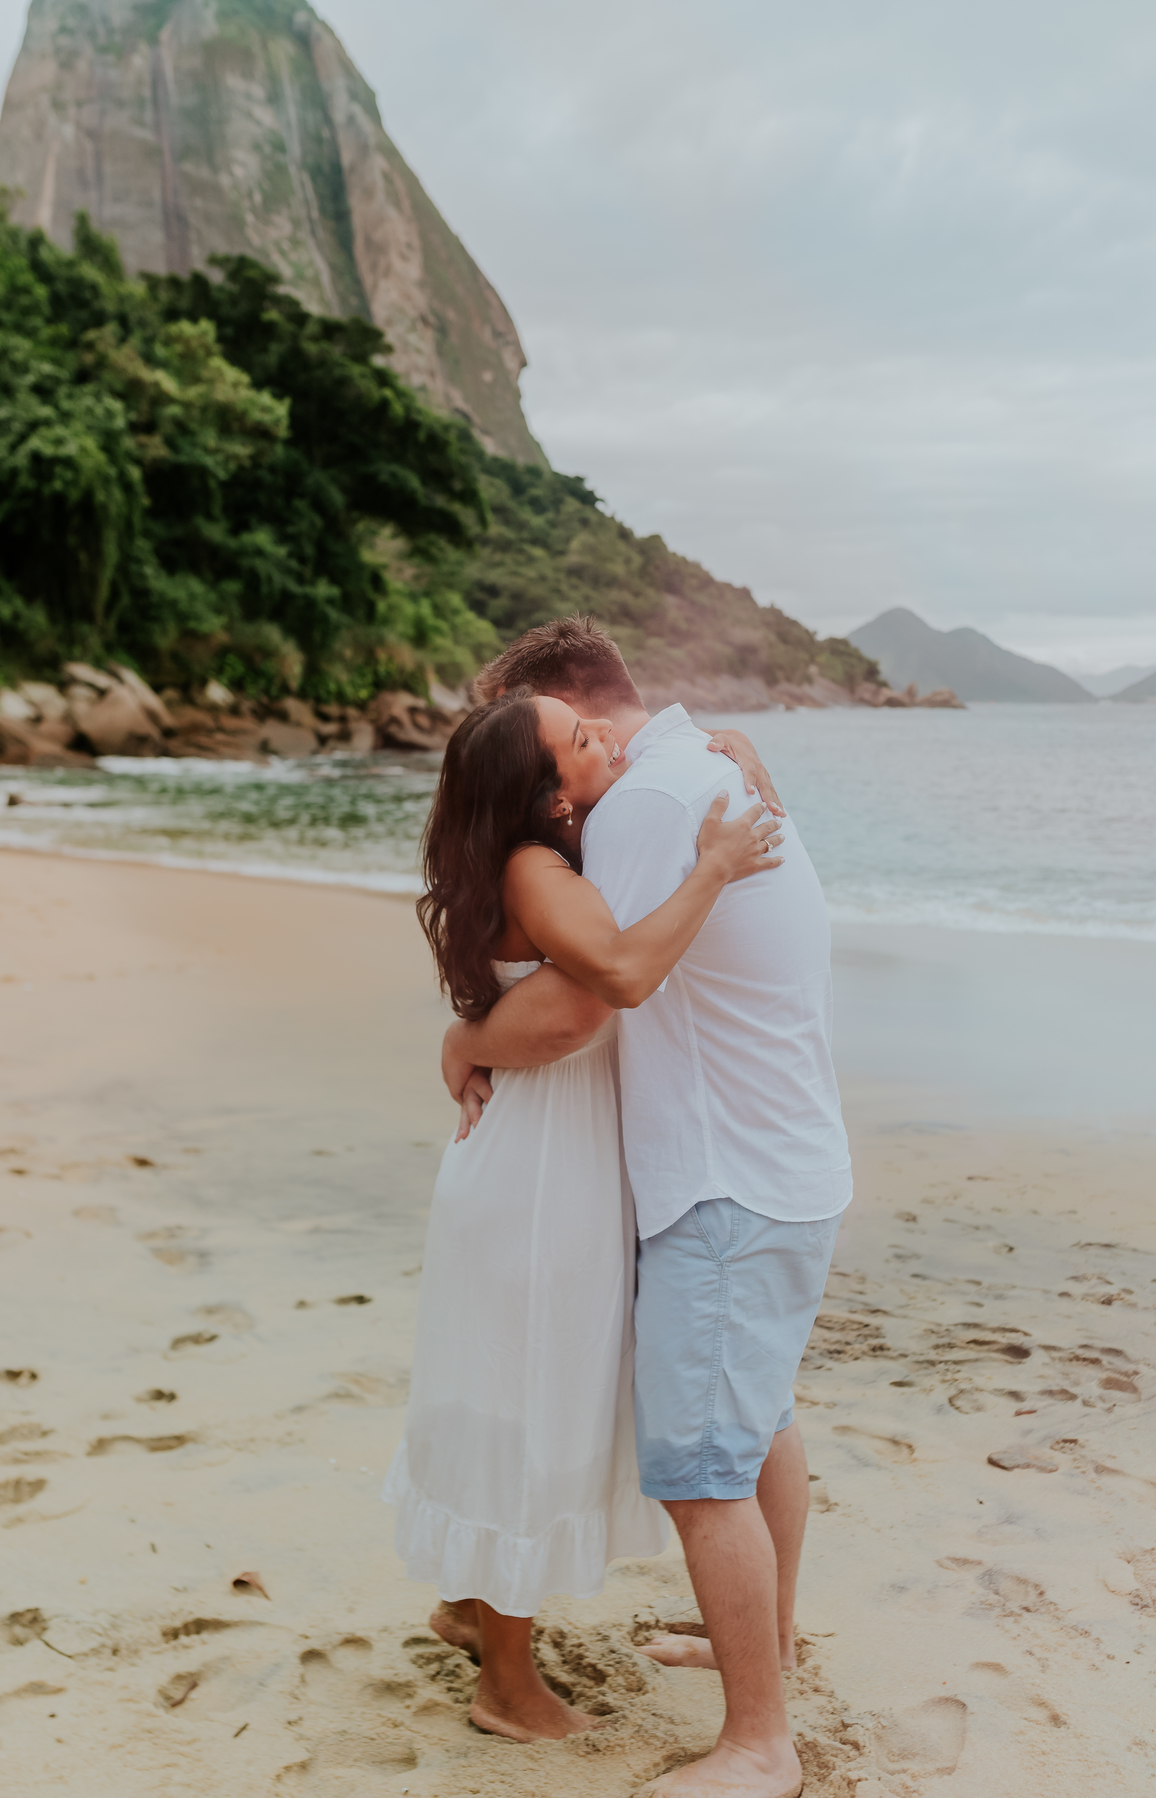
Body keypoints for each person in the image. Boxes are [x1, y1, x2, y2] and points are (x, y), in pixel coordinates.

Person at [443, 616, 853, 1798]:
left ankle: (757, 1741)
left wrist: (460, 1038)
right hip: (788, 1160)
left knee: (700, 1469)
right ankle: (765, 1649)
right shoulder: (703, 770)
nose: (583, 765)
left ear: (581, 712)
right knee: (758, 1418)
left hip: (725, 1173)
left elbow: (589, 1001)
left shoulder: (644, 804)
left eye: (570, 734)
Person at [383, 685, 784, 1744]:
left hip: (529, 1159)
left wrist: (725, 753)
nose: (603, 736)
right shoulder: (536, 867)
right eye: (578, 738)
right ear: (548, 792)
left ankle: (471, 1607)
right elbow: (613, 977)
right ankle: (507, 1688)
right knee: (528, 1402)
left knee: (501, 1388)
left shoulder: (545, 859)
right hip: (538, 1179)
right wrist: (713, 866)